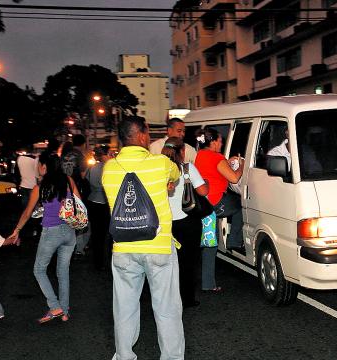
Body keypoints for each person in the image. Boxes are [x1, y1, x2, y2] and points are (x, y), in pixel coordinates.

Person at [102, 117, 184, 360]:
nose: (149, 138)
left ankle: (125, 356)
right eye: (147, 134)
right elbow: (176, 173)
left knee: (124, 309)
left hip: (124, 247)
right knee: (167, 309)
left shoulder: (109, 168)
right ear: (140, 136)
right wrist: (166, 185)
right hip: (158, 246)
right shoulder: (159, 163)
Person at [7, 151, 80, 323]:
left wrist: (17, 229)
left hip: (51, 232)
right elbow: (79, 203)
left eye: (39, 164)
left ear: (44, 166)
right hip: (70, 231)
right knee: (63, 272)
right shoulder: (69, 181)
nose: (37, 168)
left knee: (39, 270)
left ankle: (54, 306)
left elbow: (27, 213)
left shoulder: (40, 188)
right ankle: (65, 312)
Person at [194, 128, 244, 292]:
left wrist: (227, 163)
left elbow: (214, 169)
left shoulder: (200, 154)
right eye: (220, 140)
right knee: (240, 205)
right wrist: (241, 165)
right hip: (216, 202)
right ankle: (234, 241)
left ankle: (208, 284)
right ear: (214, 142)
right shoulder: (216, 157)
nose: (222, 143)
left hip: (204, 205)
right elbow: (234, 178)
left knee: (210, 243)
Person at [162, 137, 209, 308]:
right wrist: (207, 183)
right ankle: (187, 298)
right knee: (189, 262)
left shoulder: (158, 169)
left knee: (166, 262)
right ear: (182, 151)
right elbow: (203, 191)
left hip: (165, 222)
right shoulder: (187, 168)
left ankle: (167, 297)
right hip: (187, 221)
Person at [85, 144, 112, 270]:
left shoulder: (91, 168)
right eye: (110, 153)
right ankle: (110, 261)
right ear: (105, 155)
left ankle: (97, 262)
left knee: (96, 234)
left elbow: (86, 181)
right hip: (105, 204)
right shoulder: (109, 168)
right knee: (109, 234)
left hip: (92, 202)